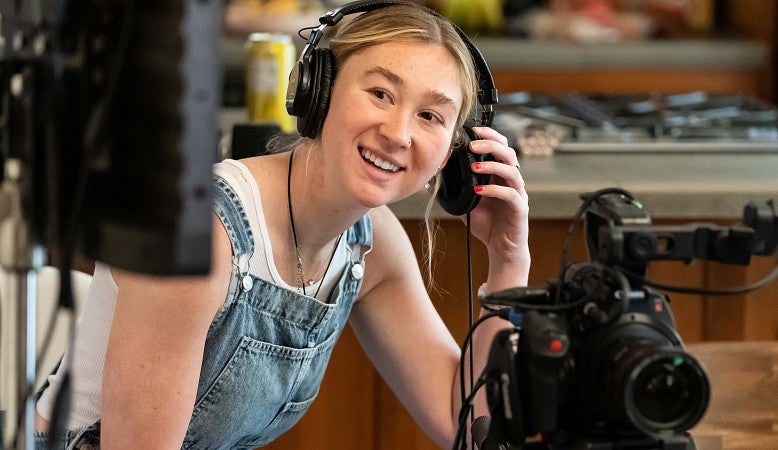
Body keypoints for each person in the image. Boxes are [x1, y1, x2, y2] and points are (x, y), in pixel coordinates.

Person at [33, 2, 530, 448]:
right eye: (380, 93)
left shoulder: (369, 246)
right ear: (318, 92)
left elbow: (464, 424)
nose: (399, 133)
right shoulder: (204, 234)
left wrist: (508, 261)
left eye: (430, 116)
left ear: (454, 156)